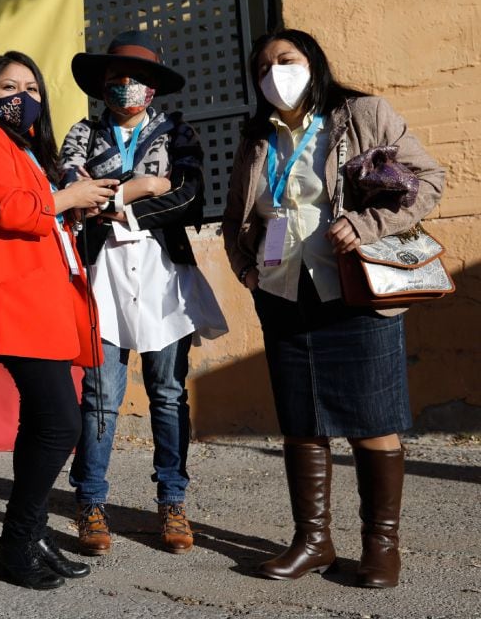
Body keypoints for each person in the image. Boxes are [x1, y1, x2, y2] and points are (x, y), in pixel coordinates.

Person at [222, 29, 444, 588]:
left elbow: (427, 180)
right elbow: (235, 217)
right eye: (264, 66)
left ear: (313, 62)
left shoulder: (361, 114)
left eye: (287, 59)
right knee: (301, 425)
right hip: (281, 294)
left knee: (374, 422)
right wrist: (246, 269)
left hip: (354, 293)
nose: (276, 72)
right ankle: (313, 542)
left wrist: (366, 223)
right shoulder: (256, 137)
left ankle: (381, 547)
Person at [0, 51, 119, 590]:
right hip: (16, 299)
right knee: (60, 423)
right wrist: (67, 196)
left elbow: (37, 209)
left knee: (42, 421)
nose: (20, 95)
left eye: (30, 87)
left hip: (41, 297)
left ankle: (35, 533)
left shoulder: (26, 149)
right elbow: (8, 209)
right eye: (7, 87)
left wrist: (74, 206)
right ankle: (15, 540)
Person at [60, 30, 228, 556]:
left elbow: (190, 196)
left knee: (169, 393)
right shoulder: (82, 134)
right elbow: (69, 190)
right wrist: (138, 188)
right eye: (116, 77)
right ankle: (90, 501)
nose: (126, 85)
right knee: (100, 395)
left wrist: (116, 203)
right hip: (102, 273)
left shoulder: (178, 132)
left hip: (162, 275)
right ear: (102, 83)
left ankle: (172, 501)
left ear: (153, 87)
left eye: (136, 78)